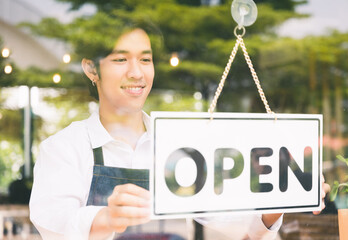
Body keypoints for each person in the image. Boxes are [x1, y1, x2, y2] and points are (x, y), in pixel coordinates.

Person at [29, 19, 330, 240]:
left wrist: (281, 197)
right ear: (92, 69)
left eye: (145, 60)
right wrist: (107, 217)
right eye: (121, 59)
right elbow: (55, 224)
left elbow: (240, 227)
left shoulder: (177, 145)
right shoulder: (64, 148)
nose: (136, 72)